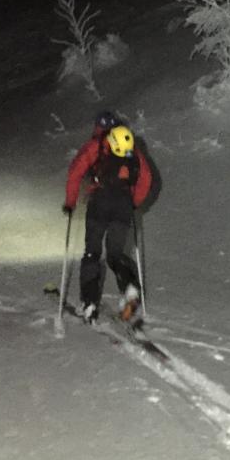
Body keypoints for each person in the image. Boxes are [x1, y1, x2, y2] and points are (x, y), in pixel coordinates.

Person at [63, 111, 151, 324]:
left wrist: (70, 202)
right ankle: (130, 288)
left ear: (97, 127)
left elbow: (75, 172)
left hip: (99, 203)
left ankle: (89, 302)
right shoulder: (130, 148)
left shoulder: (96, 146)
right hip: (122, 206)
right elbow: (146, 178)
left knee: (92, 253)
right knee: (115, 254)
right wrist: (133, 202)